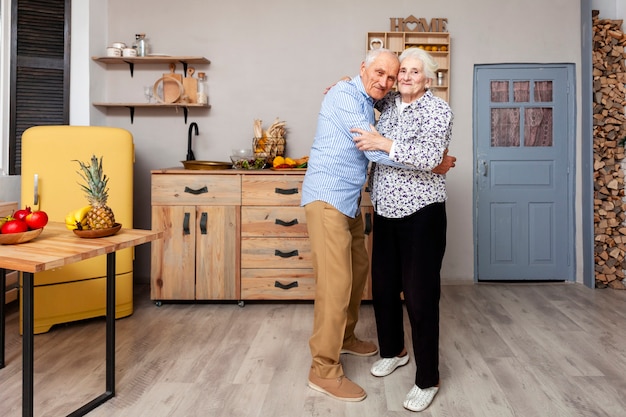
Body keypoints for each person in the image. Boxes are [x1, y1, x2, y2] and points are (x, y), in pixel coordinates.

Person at [351, 47, 454, 412]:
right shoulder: (391, 102)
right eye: (403, 72)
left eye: (415, 72)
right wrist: (341, 87)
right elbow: (366, 89)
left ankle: (428, 377)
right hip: (386, 211)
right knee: (382, 288)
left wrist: (383, 143)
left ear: (427, 78)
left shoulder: (438, 110)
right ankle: (394, 349)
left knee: (420, 297)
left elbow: (430, 158)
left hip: (422, 214)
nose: (406, 77)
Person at [301, 47, 400, 402]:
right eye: (379, 73)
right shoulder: (346, 95)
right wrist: (426, 159)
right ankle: (323, 370)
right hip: (327, 198)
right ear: (363, 68)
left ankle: (344, 338)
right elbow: (371, 148)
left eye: (391, 77)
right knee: (336, 283)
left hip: (347, 201)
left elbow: (395, 105)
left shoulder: (360, 94)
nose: (385, 82)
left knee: (358, 271)